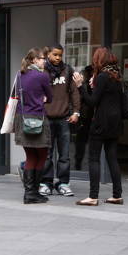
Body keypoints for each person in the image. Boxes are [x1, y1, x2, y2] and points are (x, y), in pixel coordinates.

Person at [71, 47, 124, 207]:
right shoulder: (117, 76)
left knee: (94, 158)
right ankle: (117, 195)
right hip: (115, 122)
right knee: (112, 158)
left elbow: (92, 101)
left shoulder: (102, 77)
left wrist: (80, 86)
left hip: (101, 122)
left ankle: (93, 196)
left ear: (99, 60)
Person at [39, 44, 80, 197]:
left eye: (60, 55)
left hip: (64, 119)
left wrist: (76, 112)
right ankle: (46, 183)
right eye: (55, 54)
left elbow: (74, 92)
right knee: (47, 154)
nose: (58, 58)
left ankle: (63, 183)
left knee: (64, 155)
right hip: (46, 118)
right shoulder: (42, 71)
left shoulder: (67, 70)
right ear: (48, 54)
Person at [13, 47, 52, 204]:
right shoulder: (42, 76)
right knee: (42, 156)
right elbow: (50, 97)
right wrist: (42, 98)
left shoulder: (20, 75)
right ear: (35, 60)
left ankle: (29, 193)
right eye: (43, 58)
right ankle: (33, 193)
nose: (45, 61)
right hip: (38, 119)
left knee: (30, 156)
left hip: (22, 119)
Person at [73, 65, 94, 170]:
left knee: (81, 142)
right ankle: (79, 162)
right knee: (83, 141)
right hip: (86, 117)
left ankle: (79, 162)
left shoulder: (87, 86)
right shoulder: (86, 86)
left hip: (86, 117)